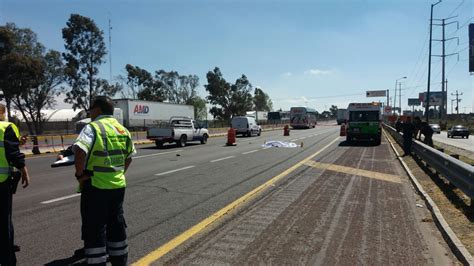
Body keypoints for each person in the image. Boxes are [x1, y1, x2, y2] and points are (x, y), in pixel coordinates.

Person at [72, 96, 135, 265]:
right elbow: (129, 156)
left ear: (98, 109)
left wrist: (79, 174)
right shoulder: (122, 130)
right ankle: (120, 260)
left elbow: (79, 149)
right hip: (117, 186)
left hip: (96, 186)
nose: (90, 112)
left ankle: (96, 261)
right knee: (116, 224)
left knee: (96, 227)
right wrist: (119, 173)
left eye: (90, 109)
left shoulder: (92, 128)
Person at [0, 107, 30, 266]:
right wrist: (23, 169)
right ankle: (7, 258)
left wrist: (17, 142)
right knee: (4, 221)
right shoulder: (5, 127)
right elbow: (11, 153)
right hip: (1, 182)